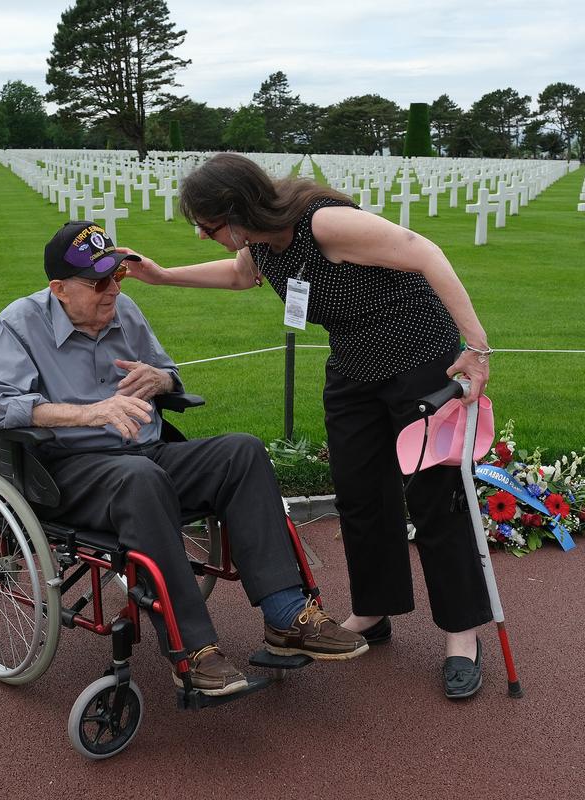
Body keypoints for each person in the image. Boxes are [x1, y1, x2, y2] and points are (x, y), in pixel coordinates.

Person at [121, 154, 494, 699]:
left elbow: (424, 252)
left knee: (435, 497)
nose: (203, 237)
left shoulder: (323, 223)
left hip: (418, 361)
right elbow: (239, 276)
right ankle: (374, 609)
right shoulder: (263, 245)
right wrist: (159, 276)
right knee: (360, 496)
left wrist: (476, 350)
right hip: (352, 370)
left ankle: (462, 635)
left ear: (235, 210)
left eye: (206, 226)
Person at [0, 220, 368, 697]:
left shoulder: (125, 311)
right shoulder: (19, 322)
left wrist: (162, 382)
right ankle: (193, 650)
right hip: (71, 470)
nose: (112, 290)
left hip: (146, 454)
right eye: (99, 282)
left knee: (242, 451)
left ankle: (287, 617)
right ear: (59, 289)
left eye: (117, 276)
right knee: (141, 477)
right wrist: (88, 412)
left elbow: (168, 371)